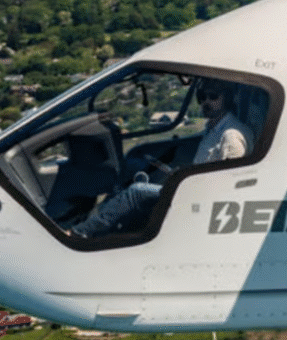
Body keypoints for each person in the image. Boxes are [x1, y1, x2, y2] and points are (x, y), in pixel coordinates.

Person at [69, 78, 254, 238]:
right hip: (192, 189)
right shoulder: (213, 128)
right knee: (135, 173)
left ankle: (80, 233)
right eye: (202, 97)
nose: (206, 102)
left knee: (136, 191)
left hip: (199, 197)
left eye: (213, 97)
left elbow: (229, 186)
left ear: (227, 99)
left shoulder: (230, 135)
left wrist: (185, 184)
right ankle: (100, 228)